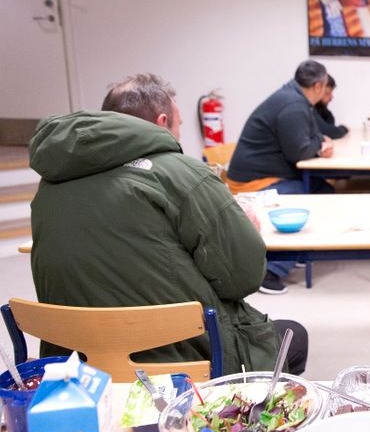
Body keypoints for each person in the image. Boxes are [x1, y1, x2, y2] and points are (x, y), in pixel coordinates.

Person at [28, 73, 308, 375]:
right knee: (295, 335)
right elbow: (245, 277)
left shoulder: (50, 184)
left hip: (78, 366)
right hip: (181, 363)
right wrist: (246, 230)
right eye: (179, 125)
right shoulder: (181, 173)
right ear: (162, 122)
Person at [227, 60, 335, 293]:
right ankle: (271, 270)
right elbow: (298, 152)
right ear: (318, 86)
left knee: (324, 190)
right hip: (253, 182)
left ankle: (297, 250)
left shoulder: (296, 99)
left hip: (269, 172)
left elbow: (312, 136)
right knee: (304, 198)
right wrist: (319, 144)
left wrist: (317, 142)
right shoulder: (293, 105)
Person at [313, 74, 349, 139]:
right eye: (327, 93)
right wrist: (344, 128)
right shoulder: (307, 107)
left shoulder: (320, 108)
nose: (331, 97)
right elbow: (329, 132)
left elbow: (330, 121)